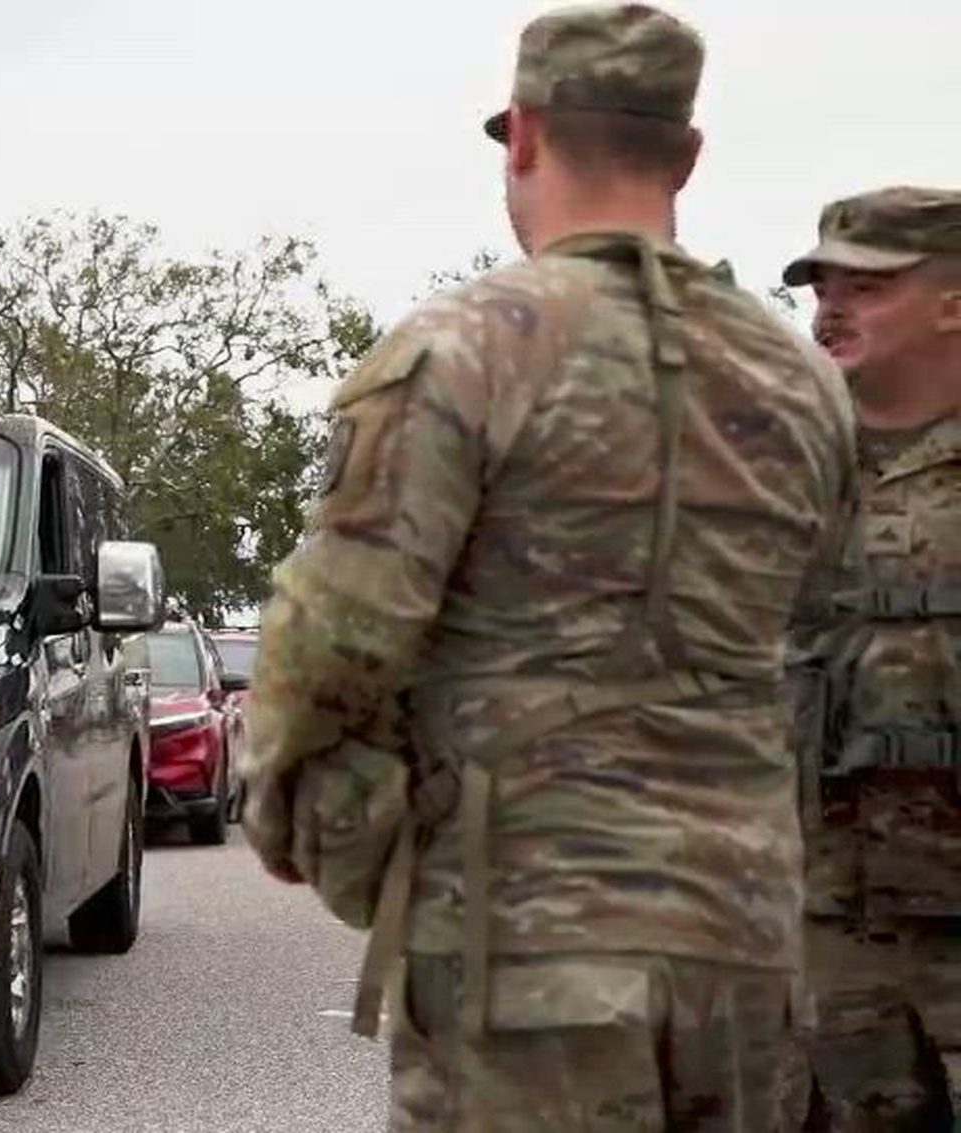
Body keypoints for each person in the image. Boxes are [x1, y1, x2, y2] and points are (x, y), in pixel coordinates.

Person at [235, 3, 860, 1128]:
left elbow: (339, 630)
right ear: (686, 153)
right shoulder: (799, 379)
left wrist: (302, 819)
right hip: (746, 943)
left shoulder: (469, 345)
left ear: (522, 136)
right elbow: (820, 632)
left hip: (526, 941)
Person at [781, 185, 961, 1130]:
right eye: (821, 286)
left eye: (869, 285)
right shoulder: (784, 473)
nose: (830, 309)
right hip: (832, 937)